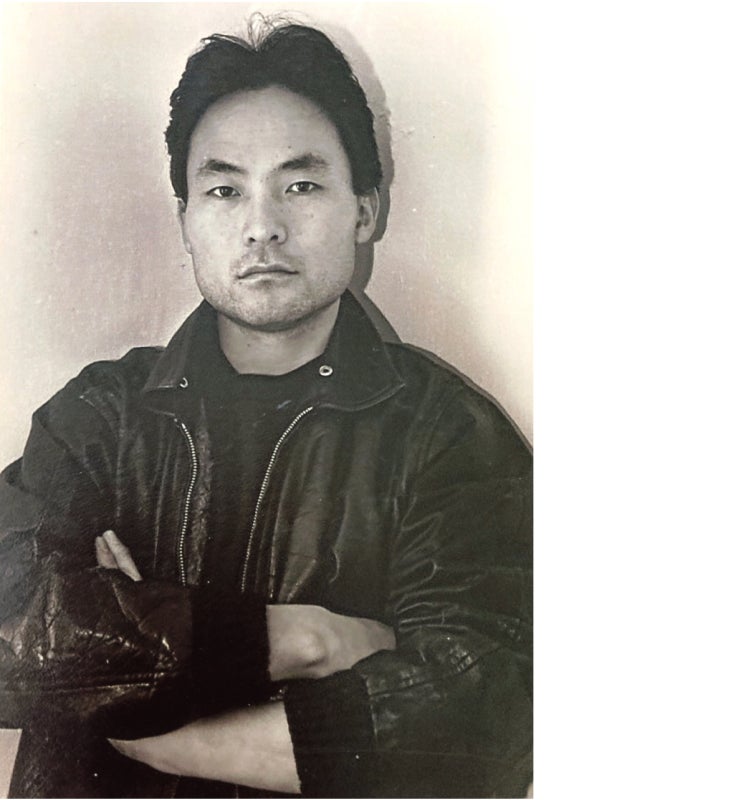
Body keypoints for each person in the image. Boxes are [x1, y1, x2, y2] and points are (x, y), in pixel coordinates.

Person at [0, 18, 532, 798]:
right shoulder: (100, 420)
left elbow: (483, 726)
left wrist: (155, 726)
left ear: (365, 210)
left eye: (301, 185)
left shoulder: (449, 438)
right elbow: (9, 636)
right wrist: (306, 638)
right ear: (185, 220)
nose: (262, 227)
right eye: (224, 189)